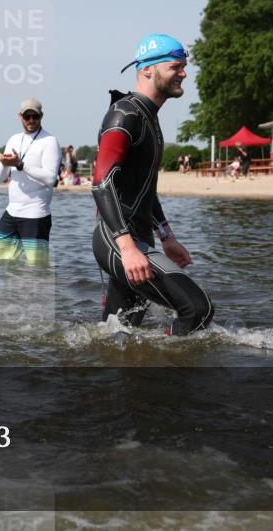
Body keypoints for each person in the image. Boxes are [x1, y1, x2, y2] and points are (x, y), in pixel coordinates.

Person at [91, 33, 214, 336]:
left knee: (118, 334)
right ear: (147, 69)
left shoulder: (148, 116)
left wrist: (167, 236)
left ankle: (115, 376)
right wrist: (128, 247)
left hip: (137, 239)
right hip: (119, 240)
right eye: (176, 67)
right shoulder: (125, 114)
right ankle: (168, 377)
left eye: (184, 67)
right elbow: (101, 183)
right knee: (198, 310)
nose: (183, 73)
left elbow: (144, 187)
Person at [0, 98, 62, 266]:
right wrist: (3, 163)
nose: (31, 121)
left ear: (41, 116)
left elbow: (51, 179)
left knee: (38, 270)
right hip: (11, 213)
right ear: (20, 117)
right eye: (27, 116)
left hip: (36, 215)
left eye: (34, 117)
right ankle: (12, 294)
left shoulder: (50, 141)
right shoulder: (14, 139)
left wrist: (20, 165)